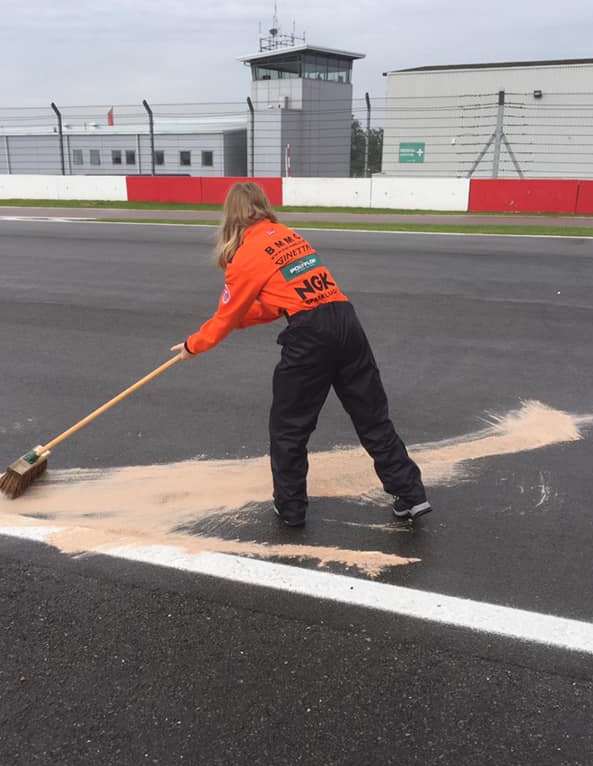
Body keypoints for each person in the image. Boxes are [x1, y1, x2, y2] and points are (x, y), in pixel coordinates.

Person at [171, 181, 431, 528]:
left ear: (231, 215)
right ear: (262, 206)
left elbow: (225, 317)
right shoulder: (289, 236)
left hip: (311, 334)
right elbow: (276, 305)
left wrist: (193, 345)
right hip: (346, 320)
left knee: (288, 428)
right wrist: (234, 324)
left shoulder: (246, 255)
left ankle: (291, 508)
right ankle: (411, 495)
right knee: (372, 417)